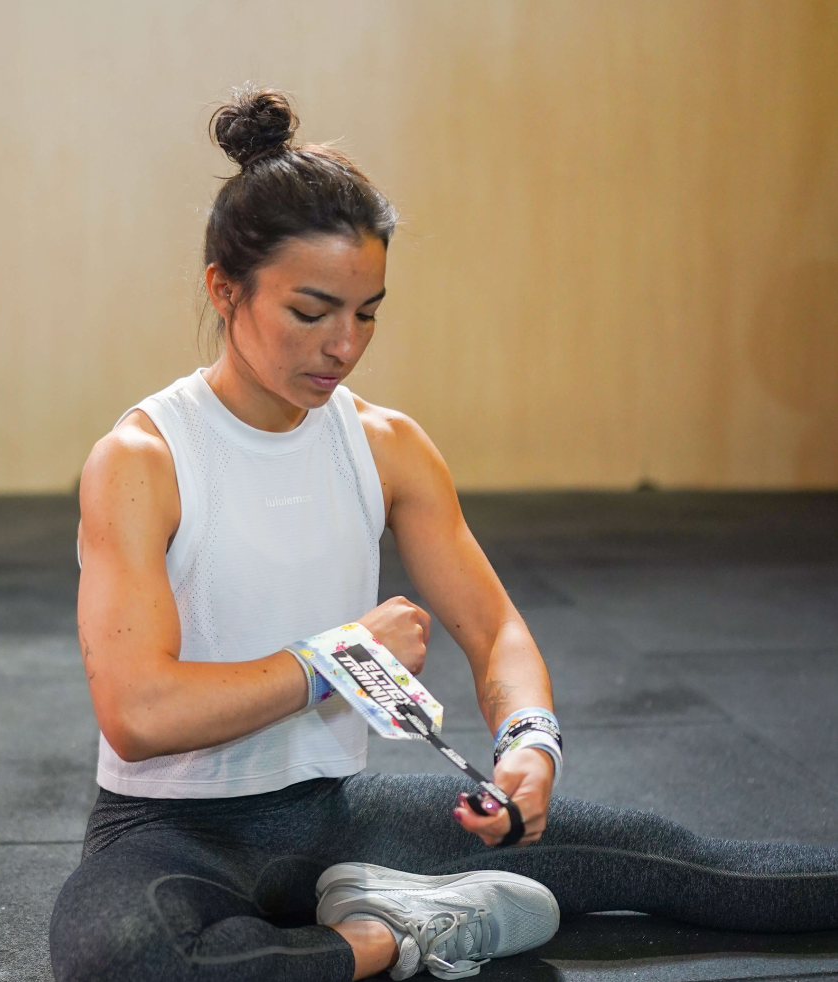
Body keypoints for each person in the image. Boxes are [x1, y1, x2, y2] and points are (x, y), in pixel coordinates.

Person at [50, 86, 838, 982]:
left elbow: (495, 630)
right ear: (224, 289)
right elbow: (139, 711)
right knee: (126, 959)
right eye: (310, 313)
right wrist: (338, 657)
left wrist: (529, 744)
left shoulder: (386, 445)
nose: (342, 345)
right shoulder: (144, 458)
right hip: (167, 833)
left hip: (338, 819)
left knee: (686, 864)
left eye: (368, 312)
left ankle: (356, 926)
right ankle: (398, 931)